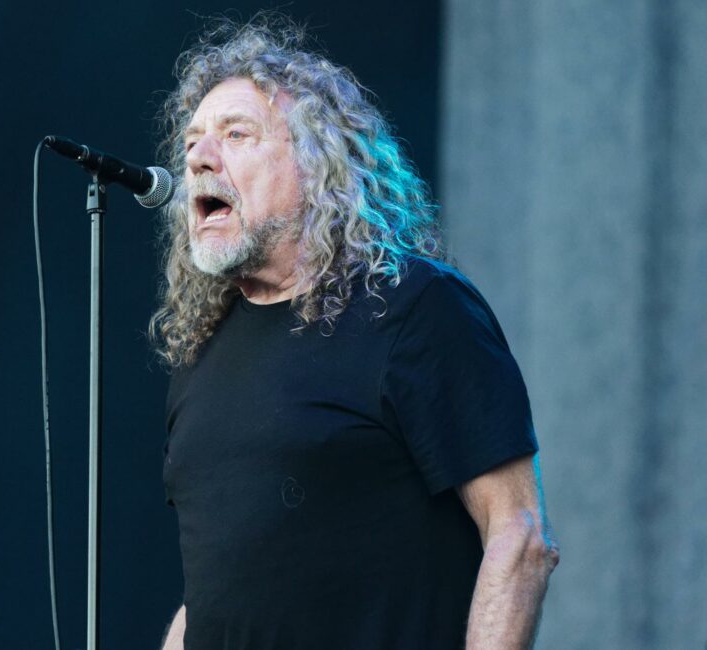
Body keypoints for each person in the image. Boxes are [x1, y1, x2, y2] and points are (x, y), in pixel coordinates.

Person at [148, 15, 559, 650]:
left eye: (236, 134)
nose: (200, 156)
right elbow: (211, 596)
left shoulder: (417, 310)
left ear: (315, 163)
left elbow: (519, 537)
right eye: (194, 139)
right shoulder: (206, 348)